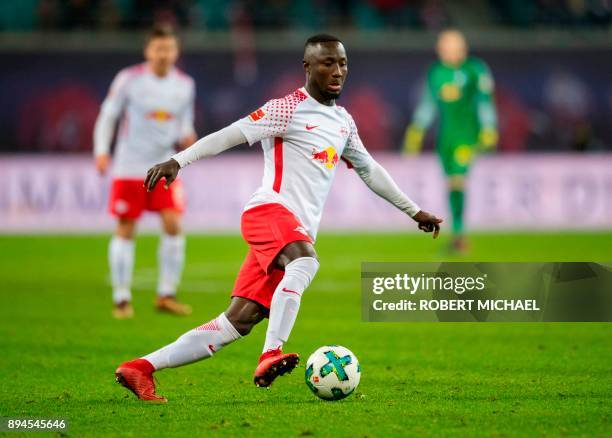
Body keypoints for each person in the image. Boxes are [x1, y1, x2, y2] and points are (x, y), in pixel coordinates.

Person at [115, 34, 442, 402]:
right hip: (268, 211)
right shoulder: (287, 108)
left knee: (235, 323)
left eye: (343, 63)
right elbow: (229, 135)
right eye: (327, 63)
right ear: (307, 67)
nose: (337, 71)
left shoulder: (343, 121)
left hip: (290, 229)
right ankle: (271, 352)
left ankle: (140, 368)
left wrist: (413, 210)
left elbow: (369, 169)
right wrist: (178, 161)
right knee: (304, 262)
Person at [93, 25, 196, 318]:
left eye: (169, 49)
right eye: (158, 49)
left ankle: (166, 294)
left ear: (176, 52)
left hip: (164, 166)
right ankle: (122, 298)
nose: (164, 54)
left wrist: (188, 134)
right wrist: (101, 150)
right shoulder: (129, 79)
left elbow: (184, 122)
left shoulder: (185, 84)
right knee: (126, 228)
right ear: (147, 51)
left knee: (174, 225)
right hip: (130, 166)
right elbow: (108, 115)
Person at [403, 29, 497, 252]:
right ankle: (457, 234)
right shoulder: (436, 72)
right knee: (451, 184)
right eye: (444, 46)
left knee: (457, 180)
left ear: (462, 48)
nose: (448, 50)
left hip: (467, 136)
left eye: (453, 46)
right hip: (445, 138)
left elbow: (485, 102)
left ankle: (459, 235)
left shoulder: (475, 70)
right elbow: (428, 105)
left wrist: (489, 127)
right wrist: (416, 130)